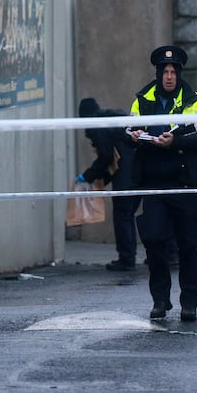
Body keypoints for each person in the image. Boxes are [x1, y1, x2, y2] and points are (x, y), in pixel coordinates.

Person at [128, 45, 197, 322]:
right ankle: (160, 300)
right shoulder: (143, 99)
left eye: (174, 71)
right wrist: (136, 134)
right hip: (154, 182)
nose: (169, 76)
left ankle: (189, 301)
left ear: (179, 74)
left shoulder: (194, 99)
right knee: (154, 241)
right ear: (158, 74)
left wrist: (176, 141)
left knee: (188, 245)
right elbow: (130, 126)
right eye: (165, 71)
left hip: (184, 182)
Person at [77, 97, 142, 271]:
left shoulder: (99, 126)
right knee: (133, 215)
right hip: (139, 173)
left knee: (123, 217)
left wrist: (87, 176)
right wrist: (102, 179)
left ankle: (126, 259)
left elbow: (107, 157)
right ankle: (162, 254)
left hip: (126, 179)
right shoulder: (114, 120)